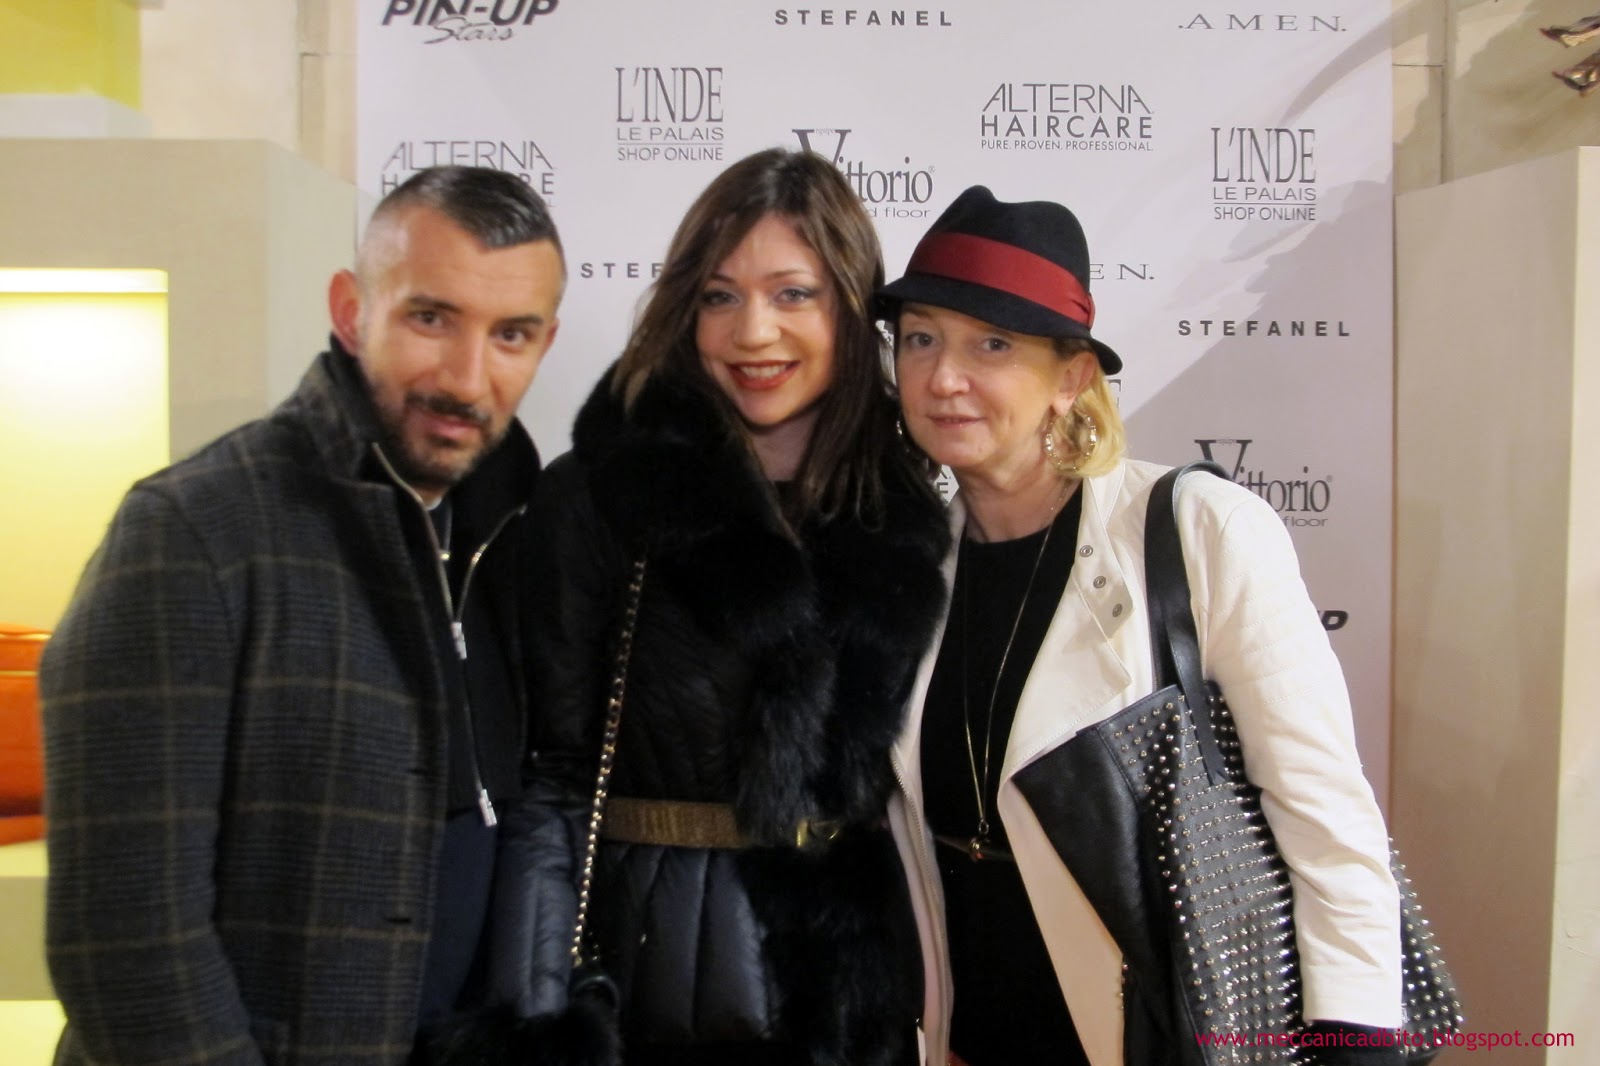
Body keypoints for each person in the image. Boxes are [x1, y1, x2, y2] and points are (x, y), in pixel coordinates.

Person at [39, 165, 565, 1065]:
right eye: (431, 318)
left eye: (509, 334)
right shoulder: (191, 532)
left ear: (544, 343)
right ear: (352, 312)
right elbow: (125, 939)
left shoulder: (518, 534)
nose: (467, 376)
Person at [878, 187, 1404, 1066]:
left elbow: (1323, 813)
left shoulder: (1197, 530)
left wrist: (1356, 1039)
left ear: (1072, 377)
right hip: (963, 1037)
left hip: (1153, 1032)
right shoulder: (911, 562)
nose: (942, 378)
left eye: (992, 344)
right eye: (921, 338)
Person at [484, 148, 950, 1066]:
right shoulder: (604, 494)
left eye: (793, 294)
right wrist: (542, 1025)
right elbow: (554, 783)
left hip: (860, 996)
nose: (753, 332)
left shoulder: (907, 510)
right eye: (719, 296)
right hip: (655, 985)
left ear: (851, 308)